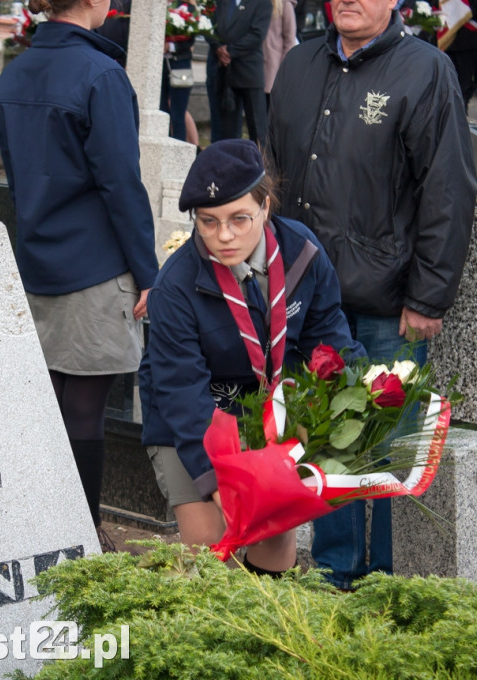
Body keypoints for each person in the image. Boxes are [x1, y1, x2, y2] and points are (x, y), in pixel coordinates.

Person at [268, 0, 477, 589]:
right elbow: (272, 174)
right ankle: (335, 575)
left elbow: (448, 188)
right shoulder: (300, 65)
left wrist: (430, 296)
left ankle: (384, 581)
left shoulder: (423, 70)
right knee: (327, 440)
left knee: (382, 450)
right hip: (310, 298)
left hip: (390, 302)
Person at [0, 0, 159, 551]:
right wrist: (149, 271)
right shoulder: (100, 73)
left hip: (36, 259)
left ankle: (45, 528)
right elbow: (121, 183)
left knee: (53, 408)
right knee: (84, 412)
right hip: (95, 266)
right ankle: (82, 538)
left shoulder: (17, 71)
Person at [139, 139, 366, 574]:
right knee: (213, 542)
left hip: (264, 411)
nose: (224, 236)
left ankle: (266, 631)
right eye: (208, 222)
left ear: (265, 207)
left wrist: (363, 397)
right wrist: (217, 483)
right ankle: (208, 631)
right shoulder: (177, 286)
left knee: (274, 535)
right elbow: (182, 392)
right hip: (189, 418)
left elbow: (329, 344)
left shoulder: (302, 253)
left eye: (239, 219)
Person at [207, 0, 272, 146]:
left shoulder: (261, 3)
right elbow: (209, 29)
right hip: (225, 74)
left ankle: (264, 170)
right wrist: (218, 49)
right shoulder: (218, 2)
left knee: (257, 128)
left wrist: (230, 51)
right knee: (227, 130)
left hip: (248, 73)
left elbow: (257, 34)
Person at [255, 0, 297, 110]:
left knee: (272, 104)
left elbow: (289, 37)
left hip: (275, 60)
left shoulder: (284, 4)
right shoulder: (253, 2)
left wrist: (284, 63)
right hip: (256, 60)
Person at [161, 0, 196, 142]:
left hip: (179, 63)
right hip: (160, 65)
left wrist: (170, 45)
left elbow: (190, 40)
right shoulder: (157, 5)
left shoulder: (188, 9)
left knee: (178, 113)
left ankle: (179, 147)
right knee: (161, 112)